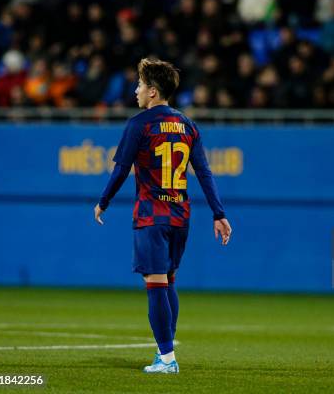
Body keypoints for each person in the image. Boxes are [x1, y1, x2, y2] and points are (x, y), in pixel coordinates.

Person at [94, 58, 232, 374]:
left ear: (153, 92)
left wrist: (103, 201)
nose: (136, 90)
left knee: (155, 284)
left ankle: (168, 359)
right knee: (168, 282)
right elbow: (205, 172)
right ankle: (164, 352)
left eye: (140, 85)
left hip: (150, 215)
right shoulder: (188, 125)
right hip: (180, 216)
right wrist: (218, 213)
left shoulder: (139, 124)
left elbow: (120, 169)